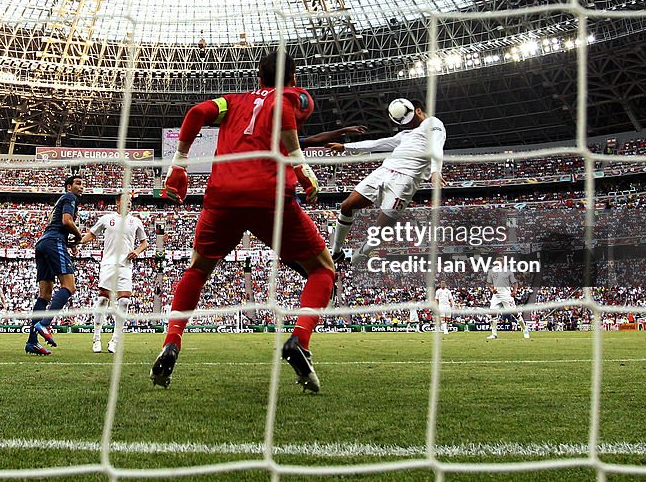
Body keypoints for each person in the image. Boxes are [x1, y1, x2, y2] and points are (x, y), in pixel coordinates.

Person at [151, 49, 335, 392]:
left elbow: (195, 112)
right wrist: (300, 165)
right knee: (323, 269)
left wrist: (178, 163)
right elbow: (284, 110)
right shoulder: (294, 96)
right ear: (293, 78)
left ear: (258, 76)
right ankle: (300, 341)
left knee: (197, 270)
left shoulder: (231, 102)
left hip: (222, 197)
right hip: (270, 197)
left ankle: (171, 343)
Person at [327, 101, 445, 263]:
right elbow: (378, 144)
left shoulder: (433, 123)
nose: (407, 124)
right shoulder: (406, 135)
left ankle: (359, 255)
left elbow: (437, 146)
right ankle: (336, 252)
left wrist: (435, 171)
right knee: (346, 206)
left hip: (405, 180)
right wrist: (346, 147)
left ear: (418, 110)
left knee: (379, 231)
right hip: (384, 171)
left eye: (409, 119)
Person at [81, 194, 150, 354]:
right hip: (108, 264)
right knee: (103, 298)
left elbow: (144, 242)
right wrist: (78, 242)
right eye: (126, 200)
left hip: (125, 265)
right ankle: (96, 338)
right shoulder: (107, 219)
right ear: (118, 202)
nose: (129, 204)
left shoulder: (136, 221)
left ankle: (115, 340)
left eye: (131, 201)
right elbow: (92, 234)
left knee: (124, 301)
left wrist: (137, 251)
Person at [25, 175, 85, 356]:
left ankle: (32, 342)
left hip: (43, 243)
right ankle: (44, 323)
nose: (82, 187)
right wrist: (79, 236)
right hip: (53, 242)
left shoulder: (60, 201)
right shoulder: (69, 197)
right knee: (69, 286)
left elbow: (60, 224)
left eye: (83, 184)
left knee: (44, 295)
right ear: (69, 186)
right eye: (78, 183)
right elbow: (66, 221)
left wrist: (71, 242)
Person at [486, 263, 530, 340]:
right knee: (493, 314)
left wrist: (515, 291)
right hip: (496, 296)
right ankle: (494, 334)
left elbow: (515, 283)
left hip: (506, 295)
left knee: (515, 313)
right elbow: (488, 284)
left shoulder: (508, 272)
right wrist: (492, 289)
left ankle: (525, 329)